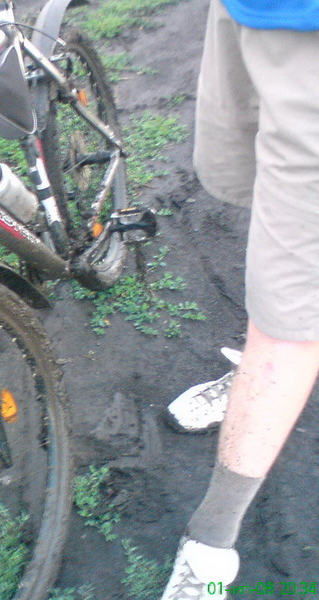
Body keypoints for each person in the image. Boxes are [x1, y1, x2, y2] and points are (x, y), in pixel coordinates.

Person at [160, 0, 319, 598]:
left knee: (288, 320)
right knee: (248, 184)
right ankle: (262, 372)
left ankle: (210, 546)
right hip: (250, 10)